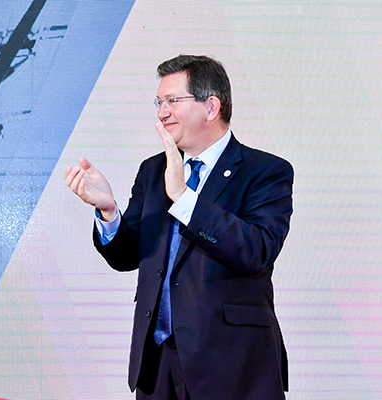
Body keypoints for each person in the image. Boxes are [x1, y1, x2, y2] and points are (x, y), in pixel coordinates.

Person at [65, 55, 292, 400]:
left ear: (211, 106)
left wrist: (185, 199)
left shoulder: (265, 171)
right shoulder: (153, 171)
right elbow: (129, 255)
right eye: (159, 101)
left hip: (232, 364)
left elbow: (256, 251)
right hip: (157, 364)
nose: (162, 112)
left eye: (173, 100)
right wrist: (108, 211)